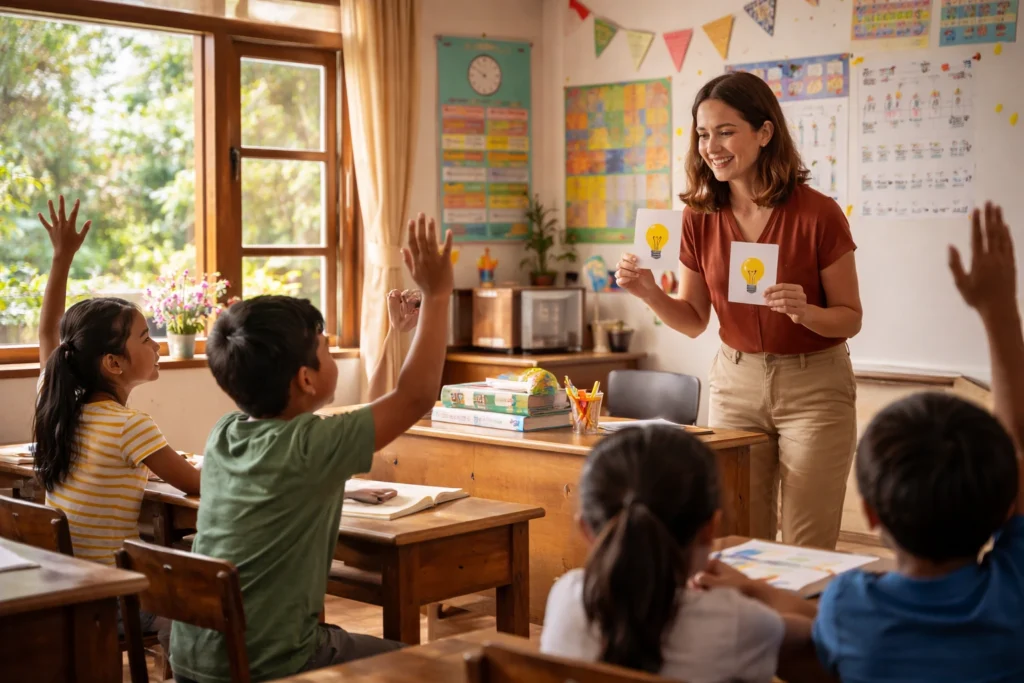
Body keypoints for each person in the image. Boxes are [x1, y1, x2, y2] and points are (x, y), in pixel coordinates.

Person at [700, 204, 1024, 683]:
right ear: (1003, 507)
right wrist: (999, 312)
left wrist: (750, 593)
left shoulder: (853, 609)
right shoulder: (1013, 595)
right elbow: (1016, 440)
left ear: (871, 514)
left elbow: (813, 627)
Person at [171, 213, 453, 683]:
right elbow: (414, 398)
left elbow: (378, 409)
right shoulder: (311, 445)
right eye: (324, 346)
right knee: (432, 667)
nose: (328, 350)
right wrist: (439, 295)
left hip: (195, 657)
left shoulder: (225, 435)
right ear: (305, 378)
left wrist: (397, 334)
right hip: (270, 664)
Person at [615, 72, 863, 549]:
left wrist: (805, 311)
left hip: (814, 388)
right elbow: (693, 319)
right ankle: (751, 627)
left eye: (726, 131)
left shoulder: (818, 213)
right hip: (736, 382)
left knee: (805, 544)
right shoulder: (698, 217)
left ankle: (805, 626)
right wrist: (648, 291)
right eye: (704, 134)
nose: (712, 146)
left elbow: (850, 316)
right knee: (737, 539)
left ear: (764, 133)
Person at [31, 195, 201, 648]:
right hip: (111, 601)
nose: (158, 346)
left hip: (67, 590)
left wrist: (61, 257)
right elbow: (197, 485)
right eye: (146, 338)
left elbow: (50, 333)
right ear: (113, 363)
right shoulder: (131, 427)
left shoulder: (59, 405)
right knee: (197, 594)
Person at [540, 425, 811, 682]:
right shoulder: (739, 623)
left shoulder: (566, 596)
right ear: (710, 529)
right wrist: (756, 590)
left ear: (586, 529)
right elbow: (829, 631)